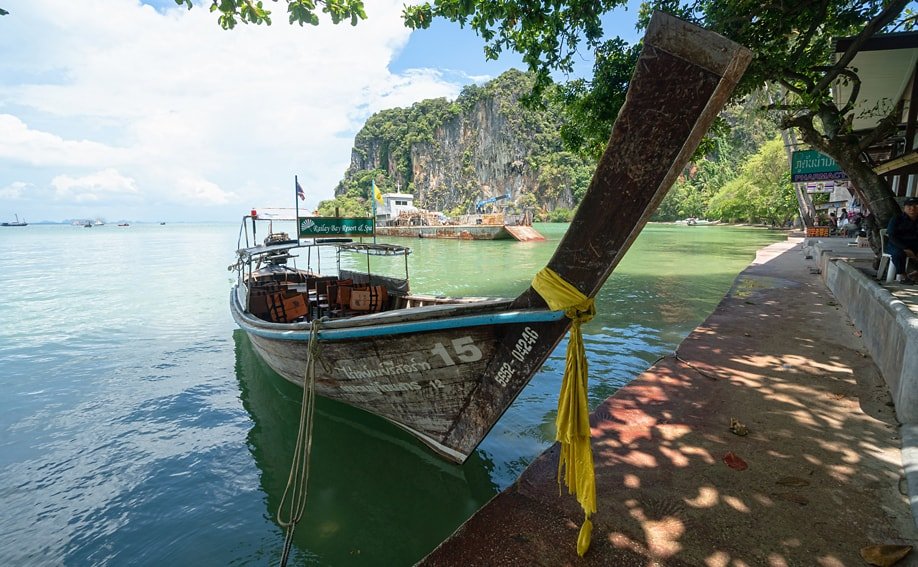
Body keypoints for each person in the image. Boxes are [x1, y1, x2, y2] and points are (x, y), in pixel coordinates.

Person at [885, 197, 918, 284]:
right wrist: (905, 248)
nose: (913, 208)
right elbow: (891, 236)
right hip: (896, 245)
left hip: (914, 245)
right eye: (909, 206)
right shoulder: (896, 219)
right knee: (898, 253)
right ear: (904, 208)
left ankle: (914, 274)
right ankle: (903, 275)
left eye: (916, 205)